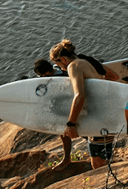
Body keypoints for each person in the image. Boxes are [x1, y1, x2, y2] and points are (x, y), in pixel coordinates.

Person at [49, 39, 120, 167]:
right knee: (104, 161)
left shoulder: (73, 66)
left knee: (98, 164)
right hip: (107, 113)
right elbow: (114, 76)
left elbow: (79, 95)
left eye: (58, 65)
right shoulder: (87, 60)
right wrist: (98, 90)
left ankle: (109, 185)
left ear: (62, 59)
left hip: (99, 117)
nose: (60, 68)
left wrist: (71, 124)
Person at [33, 59, 73, 166]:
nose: (41, 78)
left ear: (47, 72)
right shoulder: (58, 69)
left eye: (41, 75)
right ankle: (67, 158)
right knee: (63, 133)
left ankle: (67, 158)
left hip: (70, 106)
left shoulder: (61, 76)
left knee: (67, 133)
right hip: (62, 107)